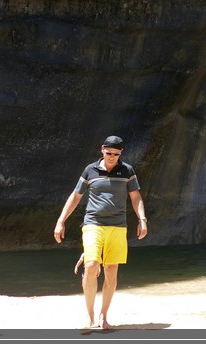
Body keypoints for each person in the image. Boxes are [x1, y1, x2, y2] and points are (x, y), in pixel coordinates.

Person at [54, 135, 147, 330]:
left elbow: (136, 196)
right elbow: (75, 196)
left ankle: (104, 317)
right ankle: (90, 317)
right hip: (93, 223)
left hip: (118, 226)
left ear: (121, 153)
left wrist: (142, 219)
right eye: (109, 153)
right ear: (102, 149)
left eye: (116, 154)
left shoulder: (127, 171)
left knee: (111, 271)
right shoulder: (90, 170)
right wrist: (61, 221)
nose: (112, 157)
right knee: (91, 266)